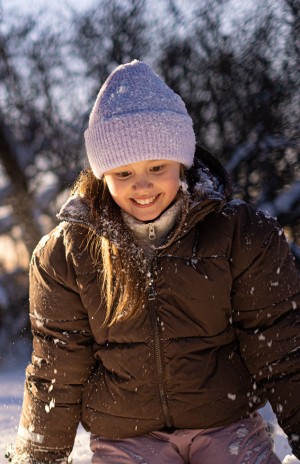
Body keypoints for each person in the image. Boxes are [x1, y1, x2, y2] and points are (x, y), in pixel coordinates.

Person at [9, 60, 300, 464]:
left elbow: (282, 347)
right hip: (127, 435)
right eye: (123, 172)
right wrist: (37, 458)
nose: (141, 185)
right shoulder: (66, 255)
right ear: (101, 174)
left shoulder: (242, 235)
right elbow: (56, 366)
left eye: (157, 167)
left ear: (181, 162)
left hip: (223, 422)